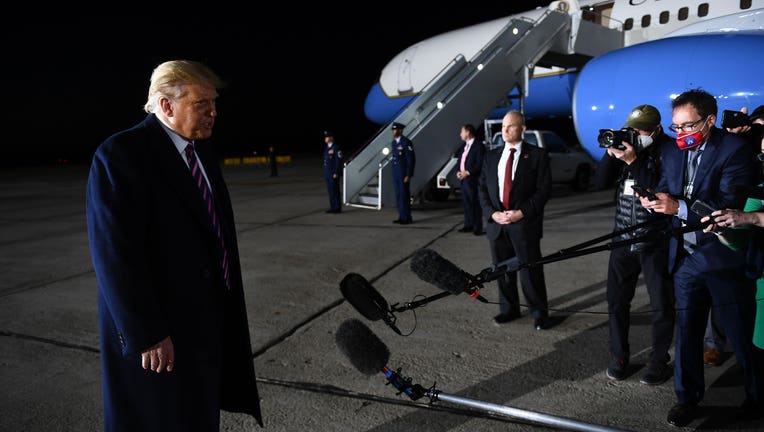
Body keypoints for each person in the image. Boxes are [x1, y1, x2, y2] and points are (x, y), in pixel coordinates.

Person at [86, 60, 263, 431]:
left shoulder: (200, 154)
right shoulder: (122, 155)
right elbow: (116, 255)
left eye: (214, 103)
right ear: (166, 105)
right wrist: (147, 332)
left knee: (197, 416)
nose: (214, 112)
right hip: (161, 333)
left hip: (206, 324)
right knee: (157, 418)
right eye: (202, 103)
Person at [639, 89, 761, 427]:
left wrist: (677, 207)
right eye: (675, 127)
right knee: (688, 334)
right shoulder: (675, 153)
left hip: (724, 258)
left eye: (687, 126)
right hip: (686, 258)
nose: (680, 134)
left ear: (709, 121)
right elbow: (667, 185)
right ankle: (687, 398)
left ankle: (755, 396)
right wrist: (656, 199)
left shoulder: (735, 151)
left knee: (740, 337)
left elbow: (727, 205)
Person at [596, 105, 675, 385]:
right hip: (622, 238)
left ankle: (658, 359)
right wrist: (610, 156)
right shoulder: (628, 150)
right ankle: (619, 355)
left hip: (654, 240)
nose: (636, 134)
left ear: (656, 130)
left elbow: (657, 191)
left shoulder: (667, 150)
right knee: (616, 301)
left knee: (661, 304)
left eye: (642, 130)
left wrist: (633, 162)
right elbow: (598, 183)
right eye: (633, 128)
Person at [478, 110, 552, 330]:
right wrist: (492, 213)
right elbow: (481, 189)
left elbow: (543, 191)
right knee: (502, 271)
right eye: (502, 127)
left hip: (524, 224)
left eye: (510, 126)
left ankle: (539, 313)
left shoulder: (537, 155)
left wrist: (522, 212)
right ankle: (508, 309)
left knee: (530, 271)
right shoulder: (491, 157)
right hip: (497, 224)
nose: (505, 131)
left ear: (522, 129)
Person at [456, 123, 485, 235]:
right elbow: (461, 161)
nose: (460, 134)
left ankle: (477, 227)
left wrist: (467, 172)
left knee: (475, 203)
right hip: (464, 179)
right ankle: (468, 225)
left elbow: (480, 163)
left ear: (468, 132)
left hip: (473, 179)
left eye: (462, 131)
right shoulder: (464, 146)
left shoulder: (478, 146)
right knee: (466, 203)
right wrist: (459, 171)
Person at [390, 122, 415, 224]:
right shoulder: (394, 143)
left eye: (395, 129)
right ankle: (401, 216)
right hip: (396, 173)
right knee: (398, 195)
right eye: (392, 130)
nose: (393, 131)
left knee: (404, 195)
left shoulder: (406, 142)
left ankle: (407, 217)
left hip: (403, 174)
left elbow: (411, 159)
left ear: (400, 130)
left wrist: (408, 174)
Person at [323, 130, 343, 213]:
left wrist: (336, 172)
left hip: (333, 174)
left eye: (327, 137)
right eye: (325, 137)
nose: (325, 138)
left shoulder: (336, 148)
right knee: (330, 191)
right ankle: (332, 207)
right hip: (328, 173)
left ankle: (337, 208)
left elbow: (339, 161)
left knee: (335, 190)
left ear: (331, 138)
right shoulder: (327, 148)